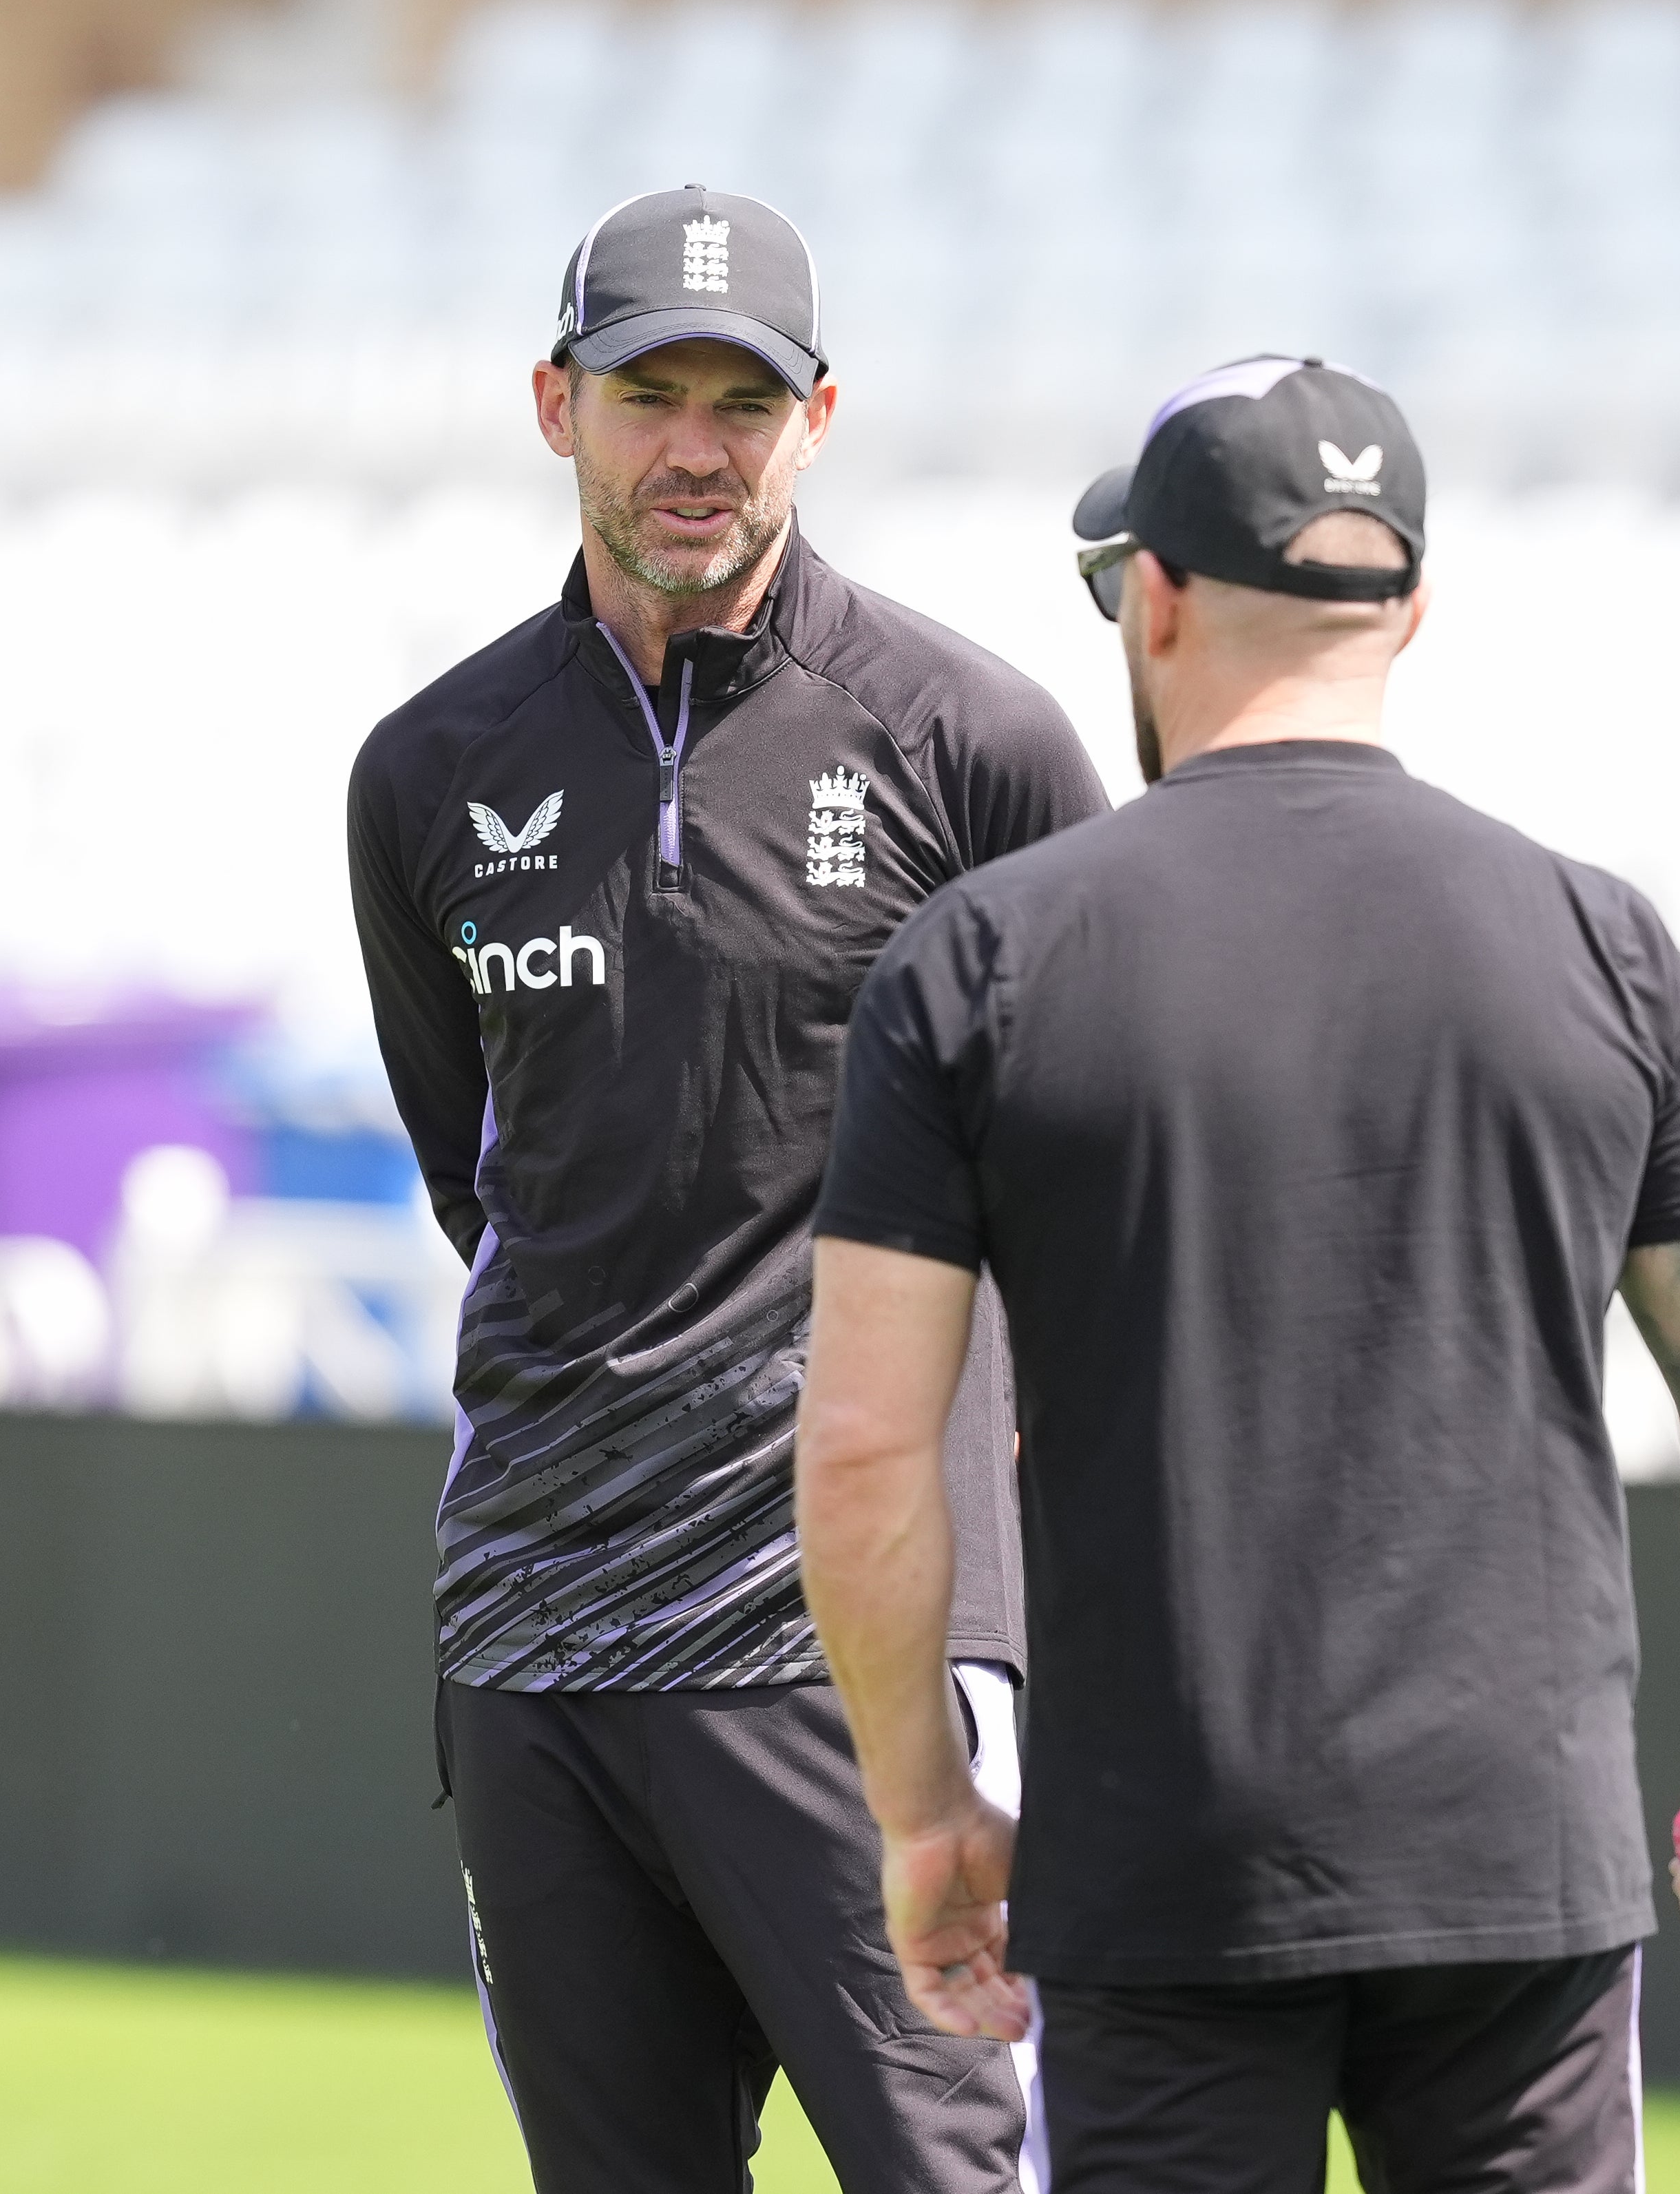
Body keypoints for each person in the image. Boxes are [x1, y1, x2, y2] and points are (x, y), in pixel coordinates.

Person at [795, 355, 1680, 2193]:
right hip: (1514, 1864)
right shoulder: (1602, 946)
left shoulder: (981, 961)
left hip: (1161, 1869)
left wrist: (920, 1810)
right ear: (1413, 606)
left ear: (1156, 595)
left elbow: (866, 1450)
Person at [346, 185, 1111, 2193]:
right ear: (553, 404)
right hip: (531, 1636)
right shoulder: (424, 773)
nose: (694, 446)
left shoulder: (977, 745)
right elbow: (479, 1175)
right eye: (645, 393)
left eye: (741, 402)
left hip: (856, 1646)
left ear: (819, 418)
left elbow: (1095, 1181)